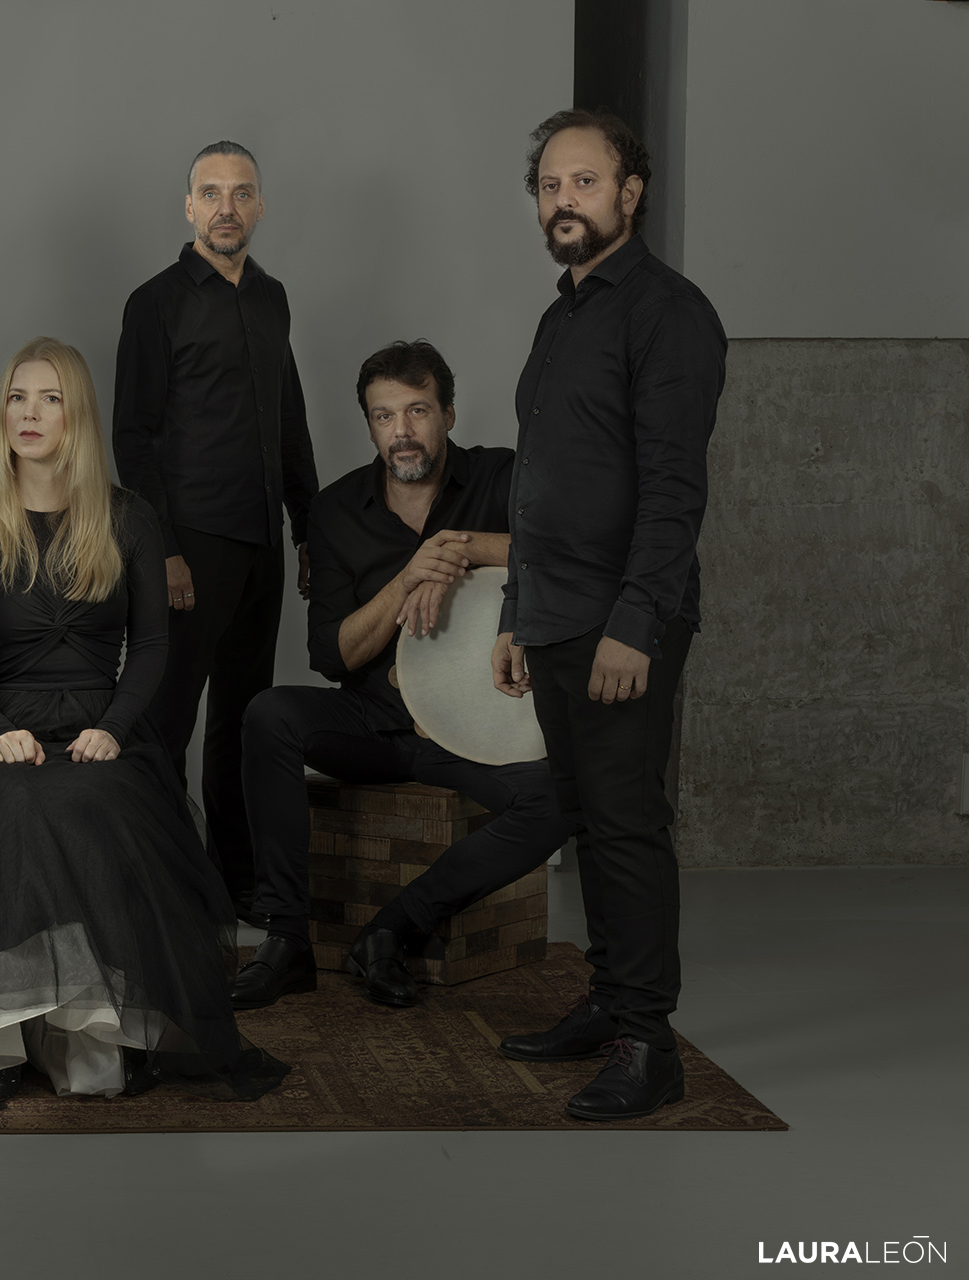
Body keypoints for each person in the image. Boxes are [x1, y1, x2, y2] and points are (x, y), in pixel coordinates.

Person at [0, 338, 289, 1107]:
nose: (30, 413)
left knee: (92, 800)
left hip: (103, 723)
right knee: (9, 804)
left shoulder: (130, 517)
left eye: (51, 398)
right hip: (3, 722)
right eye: (17, 398)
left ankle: (88, 1034)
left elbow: (154, 646)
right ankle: (1, 1033)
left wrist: (117, 727)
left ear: (79, 416)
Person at [491, 110, 726, 1122]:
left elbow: (674, 488)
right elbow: (536, 482)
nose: (563, 201)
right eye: (550, 186)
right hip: (553, 613)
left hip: (621, 618)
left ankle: (647, 1041)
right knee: (586, 818)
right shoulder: (563, 316)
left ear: (631, 193)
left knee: (627, 824)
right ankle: (609, 997)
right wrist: (514, 608)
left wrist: (636, 621)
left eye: (583, 183)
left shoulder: (668, 313)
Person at [229, 341, 575, 1011]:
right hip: (375, 722)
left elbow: (566, 552)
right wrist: (408, 579)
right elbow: (331, 654)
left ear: (448, 413)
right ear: (369, 425)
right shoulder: (335, 511)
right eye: (384, 416)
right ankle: (286, 939)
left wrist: (461, 548)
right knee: (269, 713)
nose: (402, 431)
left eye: (418, 410)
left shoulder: (502, 477)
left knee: (561, 799)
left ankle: (391, 930)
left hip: (469, 732)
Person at [113, 140, 318, 922]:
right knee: (167, 721)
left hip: (262, 541)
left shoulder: (272, 298)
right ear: (189, 207)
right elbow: (133, 436)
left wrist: (307, 528)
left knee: (244, 718)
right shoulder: (155, 302)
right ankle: (163, 882)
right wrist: (162, 549)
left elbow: (288, 418)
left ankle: (234, 880)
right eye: (211, 193)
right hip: (190, 543)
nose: (226, 207)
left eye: (241, 193)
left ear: (258, 206)